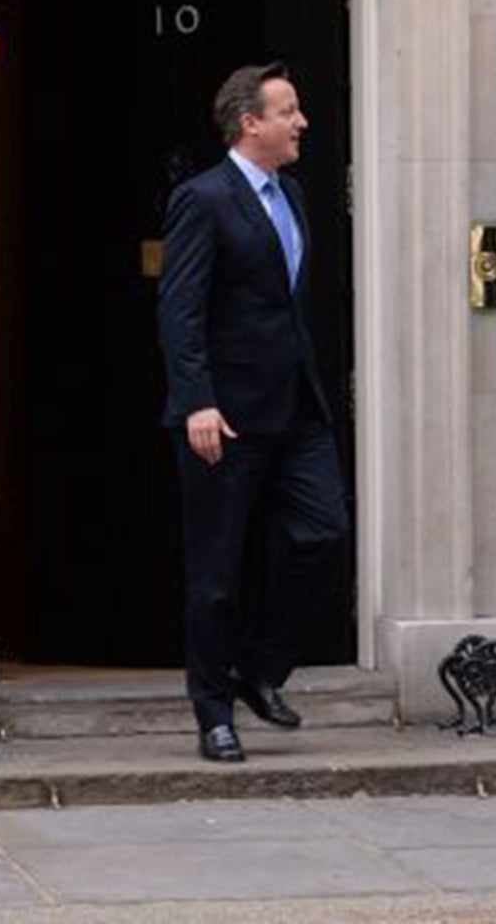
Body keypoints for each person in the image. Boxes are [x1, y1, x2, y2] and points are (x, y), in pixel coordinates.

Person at [157, 62, 349, 763]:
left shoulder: (292, 195)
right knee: (217, 571)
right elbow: (180, 311)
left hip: (297, 409)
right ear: (251, 123)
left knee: (323, 536)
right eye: (289, 111)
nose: (302, 123)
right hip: (225, 417)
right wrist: (196, 401)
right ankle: (213, 712)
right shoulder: (203, 200)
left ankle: (260, 670)